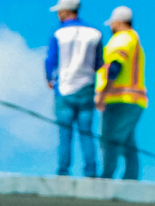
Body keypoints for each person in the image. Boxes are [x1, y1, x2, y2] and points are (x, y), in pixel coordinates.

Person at [45, 0, 103, 177]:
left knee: (65, 133)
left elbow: (50, 60)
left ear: (65, 11)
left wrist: (49, 78)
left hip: (64, 88)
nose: (58, 14)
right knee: (86, 133)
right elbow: (99, 63)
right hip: (86, 87)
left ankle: (63, 171)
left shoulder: (59, 33)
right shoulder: (95, 33)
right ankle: (91, 171)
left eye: (59, 11)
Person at [95, 5, 147, 180]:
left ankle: (107, 176)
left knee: (111, 140)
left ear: (118, 22)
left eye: (112, 24)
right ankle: (130, 178)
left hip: (121, 100)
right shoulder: (134, 40)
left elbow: (115, 67)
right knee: (127, 142)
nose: (111, 27)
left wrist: (102, 94)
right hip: (132, 100)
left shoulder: (122, 39)